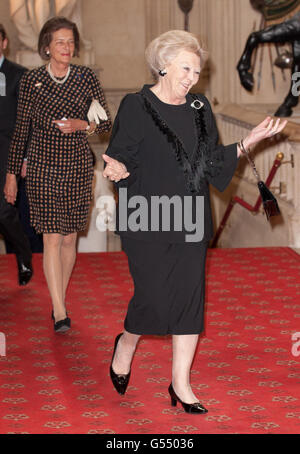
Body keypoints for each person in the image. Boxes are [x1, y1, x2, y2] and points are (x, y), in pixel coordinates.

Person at [102, 30, 287, 413]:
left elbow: (211, 164)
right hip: (147, 215)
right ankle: (127, 342)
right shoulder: (136, 106)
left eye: (197, 71)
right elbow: (121, 157)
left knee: (189, 301)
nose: (191, 77)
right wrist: (118, 171)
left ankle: (181, 383)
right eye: (186, 68)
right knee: (151, 298)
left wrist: (249, 140)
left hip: (190, 216)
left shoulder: (200, 107)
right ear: (163, 65)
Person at [4, 16, 111, 333]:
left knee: (68, 239)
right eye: (60, 41)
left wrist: (84, 125)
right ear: (46, 47)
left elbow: (105, 122)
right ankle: (61, 311)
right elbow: (21, 130)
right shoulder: (32, 80)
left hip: (77, 166)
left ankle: (57, 300)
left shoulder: (85, 77)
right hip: (42, 167)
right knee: (51, 236)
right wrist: (12, 173)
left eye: (70, 41)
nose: (67, 47)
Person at [0, 23, 33, 286]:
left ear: (4, 43)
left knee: (3, 211)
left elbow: (29, 121)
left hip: (7, 152)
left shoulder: (19, 76)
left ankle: (23, 256)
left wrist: (24, 158)